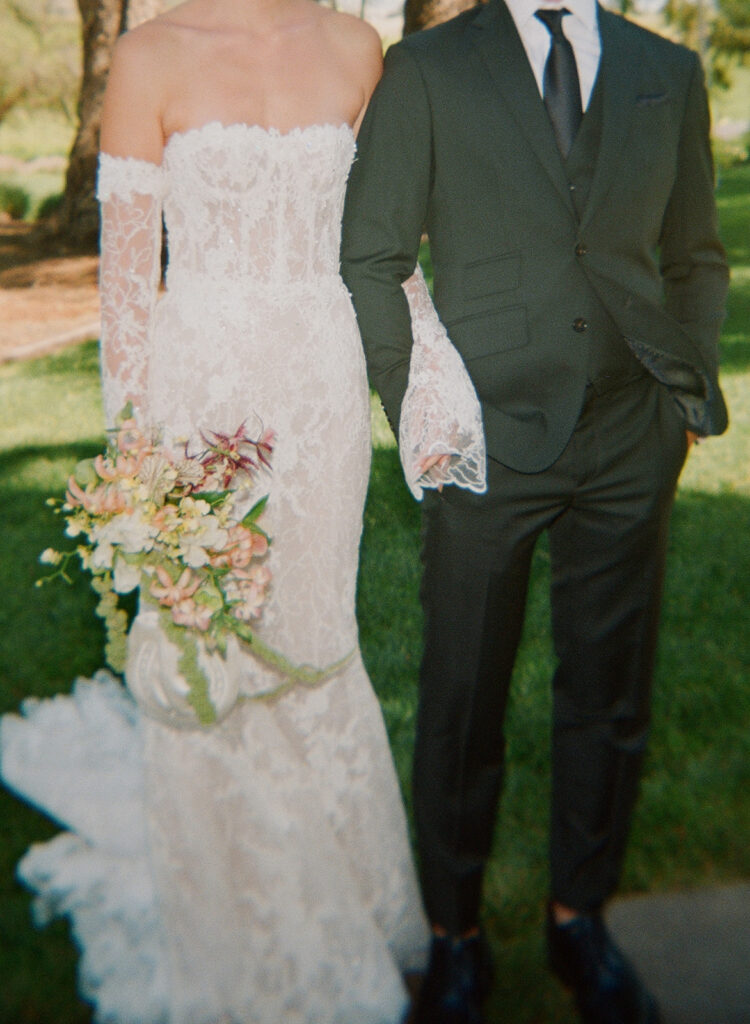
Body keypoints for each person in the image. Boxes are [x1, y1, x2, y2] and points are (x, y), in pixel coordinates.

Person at [0, 0, 489, 1019]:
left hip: (322, 387)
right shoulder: (148, 56)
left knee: (316, 632)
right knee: (208, 631)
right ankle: (234, 911)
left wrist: (433, 383)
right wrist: (138, 465)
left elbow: (388, 249)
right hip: (199, 391)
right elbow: (128, 288)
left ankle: (347, 889)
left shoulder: (361, 48)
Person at [340, 0, 729, 1021]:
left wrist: (686, 406)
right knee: (463, 694)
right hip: (485, 438)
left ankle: (579, 920)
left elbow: (695, 256)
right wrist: (418, 407)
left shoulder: (666, 70)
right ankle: (456, 934)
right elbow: (372, 255)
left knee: (610, 687)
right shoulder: (425, 67)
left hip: (631, 433)